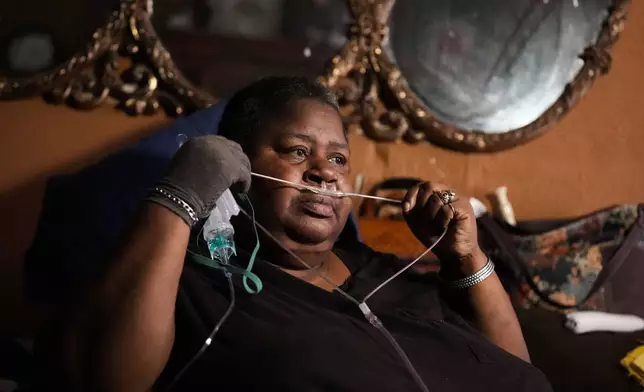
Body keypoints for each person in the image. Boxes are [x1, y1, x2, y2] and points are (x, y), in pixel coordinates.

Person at [50, 77, 552, 391]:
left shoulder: (385, 272)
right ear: (235, 165)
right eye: (296, 151)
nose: (325, 172)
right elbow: (106, 379)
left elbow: (513, 370)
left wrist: (466, 258)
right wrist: (179, 196)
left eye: (337, 158)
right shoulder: (202, 293)